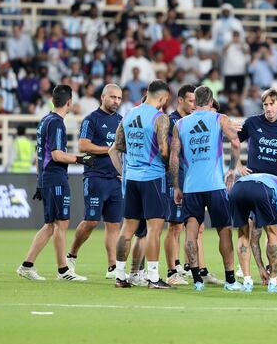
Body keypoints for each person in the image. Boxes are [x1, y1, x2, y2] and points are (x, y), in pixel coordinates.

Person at [17, 85, 94, 281]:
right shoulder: (57, 123)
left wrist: (39, 181)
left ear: (53, 101)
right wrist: (80, 159)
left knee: (50, 224)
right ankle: (63, 271)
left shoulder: (44, 121)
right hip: (56, 177)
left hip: (46, 177)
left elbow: (39, 155)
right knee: (61, 222)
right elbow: (57, 155)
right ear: (69, 102)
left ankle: (27, 266)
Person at [170, 86, 243, 292]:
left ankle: (197, 280)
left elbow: (174, 157)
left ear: (195, 101)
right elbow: (236, 143)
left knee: (190, 234)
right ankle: (230, 280)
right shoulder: (219, 118)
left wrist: (177, 185)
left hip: (191, 186)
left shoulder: (181, 124)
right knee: (224, 231)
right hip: (215, 185)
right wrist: (231, 169)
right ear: (211, 101)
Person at [109, 80, 171, 289]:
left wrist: (124, 173)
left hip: (132, 178)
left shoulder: (129, 115)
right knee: (154, 229)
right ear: (163, 98)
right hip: (152, 177)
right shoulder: (160, 118)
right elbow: (164, 150)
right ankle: (153, 278)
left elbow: (117, 146)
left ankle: (120, 275)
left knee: (127, 228)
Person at [65, 84, 124, 279]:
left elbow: (122, 149)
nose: (116, 101)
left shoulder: (121, 121)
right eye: (112, 97)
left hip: (115, 178)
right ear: (103, 97)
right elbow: (83, 145)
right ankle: (71, 256)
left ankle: (112, 266)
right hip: (96, 177)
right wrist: (109, 149)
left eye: (119, 98)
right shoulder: (92, 119)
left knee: (114, 224)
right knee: (91, 221)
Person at [236, 89, 277, 278]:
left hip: (272, 185)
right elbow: (235, 142)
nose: (268, 108)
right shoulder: (252, 122)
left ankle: (271, 268)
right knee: (253, 231)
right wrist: (239, 166)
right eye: (265, 105)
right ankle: (251, 269)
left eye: (272, 104)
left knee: (271, 228)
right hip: (253, 180)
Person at [229, 173, 277, 293]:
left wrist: (261, 268)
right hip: (262, 188)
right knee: (272, 232)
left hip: (237, 188)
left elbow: (254, 239)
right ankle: (272, 282)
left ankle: (247, 281)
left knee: (243, 234)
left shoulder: (275, 198)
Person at [162, 84, 200, 286]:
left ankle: (189, 267)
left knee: (194, 226)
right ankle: (172, 271)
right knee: (175, 226)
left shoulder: (193, 121)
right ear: (180, 100)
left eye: (196, 101)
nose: (194, 104)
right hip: (176, 178)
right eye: (191, 100)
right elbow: (168, 152)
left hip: (193, 179)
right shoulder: (170, 121)